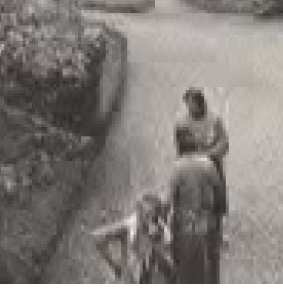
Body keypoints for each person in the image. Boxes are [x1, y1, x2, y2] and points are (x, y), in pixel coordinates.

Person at [167, 123, 223, 283]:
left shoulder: (178, 167)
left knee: (185, 271)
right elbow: (218, 190)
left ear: (178, 146)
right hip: (207, 224)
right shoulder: (207, 163)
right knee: (210, 268)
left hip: (186, 228)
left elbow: (168, 199)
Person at [179, 87, 230, 248]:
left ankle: (218, 235)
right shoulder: (182, 123)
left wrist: (209, 154)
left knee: (218, 201)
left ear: (201, 104)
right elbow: (181, 147)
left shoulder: (215, 120)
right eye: (187, 105)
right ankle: (199, 235)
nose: (189, 109)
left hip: (213, 165)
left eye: (191, 105)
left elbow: (224, 143)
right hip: (194, 167)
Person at [91, 195, 170, 283]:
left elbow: (165, 245)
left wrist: (158, 235)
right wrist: (115, 266)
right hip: (133, 277)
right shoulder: (128, 226)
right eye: (146, 215)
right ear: (138, 212)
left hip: (151, 272)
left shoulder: (158, 228)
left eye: (153, 216)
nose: (150, 219)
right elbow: (97, 238)